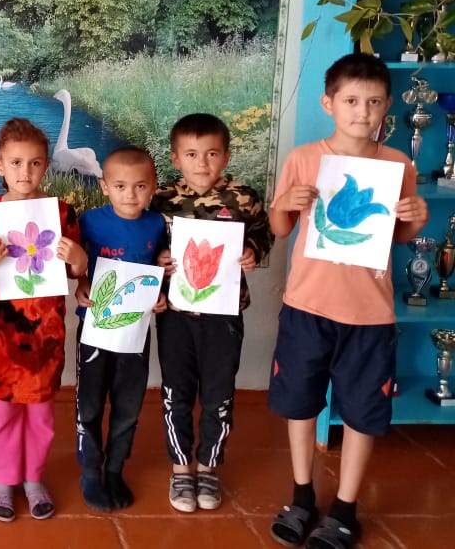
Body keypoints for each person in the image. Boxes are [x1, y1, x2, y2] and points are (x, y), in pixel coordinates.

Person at [267, 53, 427, 549]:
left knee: (362, 412)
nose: (363, 111)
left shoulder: (398, 165)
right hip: (307, 307)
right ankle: (301, 496)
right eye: (352, 100)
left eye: (374, 102)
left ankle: (344, 509)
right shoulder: (303, 158)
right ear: (329, 103)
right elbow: (279, 228)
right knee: (300, 404)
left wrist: (416, 219)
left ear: (388, 106)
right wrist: (285, 205)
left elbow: (398, 236)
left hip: (369, 315)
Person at [151, 113, 273, 513]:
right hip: (176, 313)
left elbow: (263, 234)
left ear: (226, 156)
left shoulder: (244, 198)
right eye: (191, 154)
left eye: (211, 154)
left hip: (225, 315)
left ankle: (209, 467)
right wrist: (159, 259)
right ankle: (181, 468)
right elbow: (147, 246)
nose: (201, 163)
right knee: (177, 391)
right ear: (175, 158)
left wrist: (254, 252)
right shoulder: (161, 199)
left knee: (219, 393)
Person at [0, 118, 88, 522]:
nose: (26, 172)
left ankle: (34, 478)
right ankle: (3, 480)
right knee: (1, 411)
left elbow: (75, 273)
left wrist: (79, 261)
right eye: (16, 163)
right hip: (2, 334)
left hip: (46, 333)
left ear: (46, 166)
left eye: (35, 163)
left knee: (40, 412)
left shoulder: (61, 212)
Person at [74, 146, 169, 512]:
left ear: (153, 186)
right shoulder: (89, 221)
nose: (130, 195)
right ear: (104, 186)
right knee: (90, 403)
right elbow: (74, 264)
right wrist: (81, 283)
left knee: (129, 404)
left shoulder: (157, 225)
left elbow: (160, 267)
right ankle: (90, 471)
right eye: (120, 186)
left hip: (135, 333)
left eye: (140, 186)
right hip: (93, 329)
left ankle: (115, 469)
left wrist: (160, 294)